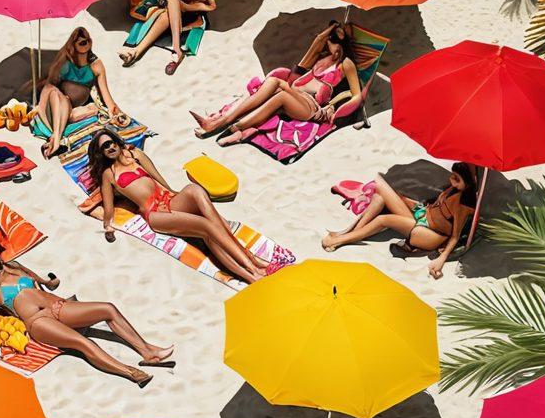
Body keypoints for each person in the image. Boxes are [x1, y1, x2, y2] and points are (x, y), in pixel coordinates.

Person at [87, 128, 292, 285]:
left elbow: (159, 179)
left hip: (168, 200)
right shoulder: (109, 174)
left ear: (117, 141)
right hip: (155, 214)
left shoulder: (135, 155)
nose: (110, 148)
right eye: (105, 147)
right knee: (207, 227)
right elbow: (108, 208)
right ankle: (253, 270)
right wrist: (108, 227)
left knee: (195, 190)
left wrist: (176, 196)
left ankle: (256, 263)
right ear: (100, 152)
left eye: (111, 142)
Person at [0, 247, 173, 387]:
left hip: (58, 306)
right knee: (82, 342)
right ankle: (131, 373)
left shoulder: (15, 265)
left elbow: (41, 281)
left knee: (108, 308)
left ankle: (147, 352)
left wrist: (50, 283)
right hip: (38, 322)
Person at [191, 21, 361, 142]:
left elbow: (357, 96)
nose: (330, 42)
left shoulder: (346, 64)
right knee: (273, 81)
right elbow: (318, 41)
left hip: (310, 106)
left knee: (281, 91)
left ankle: (232, 126)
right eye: (331, 38)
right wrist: (332, 27)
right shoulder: (323, 56)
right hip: (296, 95)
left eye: (336, 38)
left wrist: (338, 110)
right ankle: (224, 121)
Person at [321, 163, 477, 279]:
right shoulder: (454, 189)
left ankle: (340, 240)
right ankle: (352, 232)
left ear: (468, 184)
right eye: (452, 175)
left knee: (383, 219)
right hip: (421, 217)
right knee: (380, 192)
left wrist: (441, 260)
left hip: (430, 234)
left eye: (456, 178)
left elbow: (455, 236)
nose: (451, 180)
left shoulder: (464, 205)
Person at [36, 27, 129, 160]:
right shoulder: (65, 61)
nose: (86, 43)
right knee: (55, 92)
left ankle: (55, 139)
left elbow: (106, 96)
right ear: (73, 44)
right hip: (56, 104)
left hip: (72, 112)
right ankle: (56, 142)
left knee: (93, 109)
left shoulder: (96, 65)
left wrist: (116, 112)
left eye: (88, 41)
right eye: (81, 42)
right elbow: (49, 87)